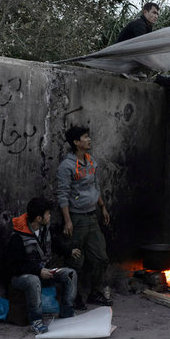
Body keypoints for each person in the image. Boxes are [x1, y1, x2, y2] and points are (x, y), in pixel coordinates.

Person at [6, 197, 80, 335]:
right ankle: (36, 321)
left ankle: (67, 312)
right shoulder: (17, 237)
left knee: (70, 274)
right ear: (39, 218)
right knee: (33, 280)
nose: (50, 216)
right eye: (48, 214)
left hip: (42, 271)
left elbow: (54, 244)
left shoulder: (45, 229)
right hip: (22, 278)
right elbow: (14, 266)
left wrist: (69, 251)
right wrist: (38, 271)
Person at [57, 125, 113, 307]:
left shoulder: (91, 161)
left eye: (89, 137)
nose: (89, 140)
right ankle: (73, 297)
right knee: (76, 260)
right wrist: (67, 221)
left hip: (92, 216)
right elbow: (63, 194)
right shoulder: (66, 166)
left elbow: (95, 186)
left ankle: (95, 293)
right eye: (85, 137)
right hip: (77, 218)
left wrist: (102, 207)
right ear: (76, 142)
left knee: (100, 257)